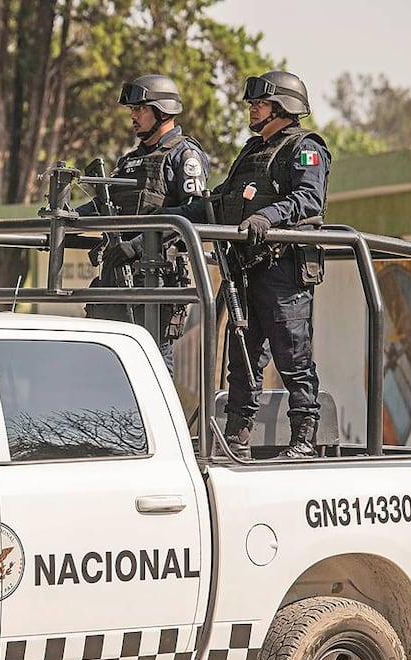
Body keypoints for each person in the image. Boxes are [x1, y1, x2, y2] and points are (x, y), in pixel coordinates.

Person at [175, 70, 331, 459]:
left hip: (282, 270)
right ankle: (236, 438)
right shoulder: (251, 151)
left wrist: (267, 218)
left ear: (283, 107)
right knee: (242, 359)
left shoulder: (305, 148)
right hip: (245, 269)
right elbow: (222, 199)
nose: (252, 109)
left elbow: (308, 199)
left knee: (292, 355)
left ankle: (303, 439)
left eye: (260, 104)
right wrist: (171, 219)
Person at [78, 74, 211, 376]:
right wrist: (67, 217)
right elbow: (104, 204)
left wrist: (137, 245)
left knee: (152, 363)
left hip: (155, 276)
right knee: (107, 365)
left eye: (140, 109)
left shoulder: (183, 154)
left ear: (162, 111)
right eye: (132, 110)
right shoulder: (129, 161)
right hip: (115, 275)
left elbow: (195, 211)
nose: (133, 116)